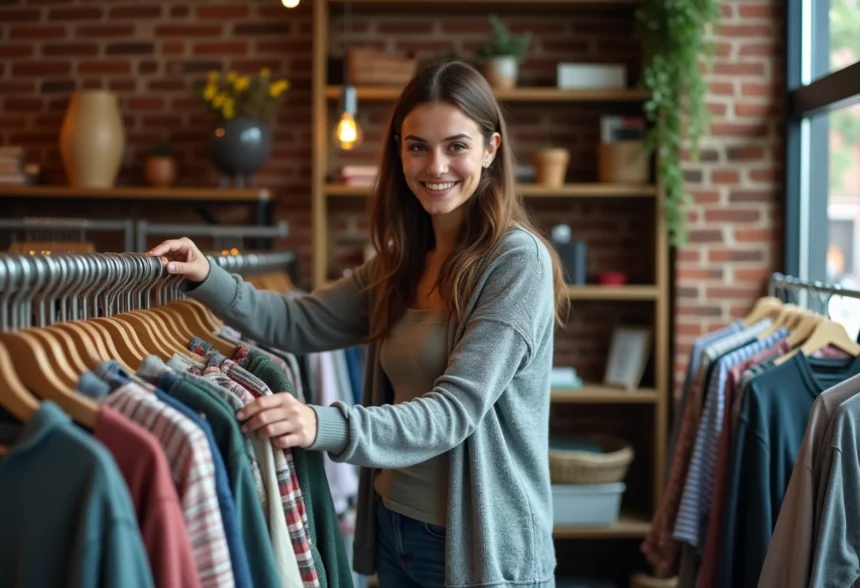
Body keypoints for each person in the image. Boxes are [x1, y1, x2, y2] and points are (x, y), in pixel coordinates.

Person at [148, 60, 569, 588]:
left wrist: (321, 424)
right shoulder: (404, 260)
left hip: (482, 551)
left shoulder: (516, 263)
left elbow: (454, 411)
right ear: (398, 150)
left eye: (456, 145)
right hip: (397, 531)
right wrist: (207, 275)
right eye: (418, 146)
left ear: (491, 149)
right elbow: (298, 322)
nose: (435, 165)